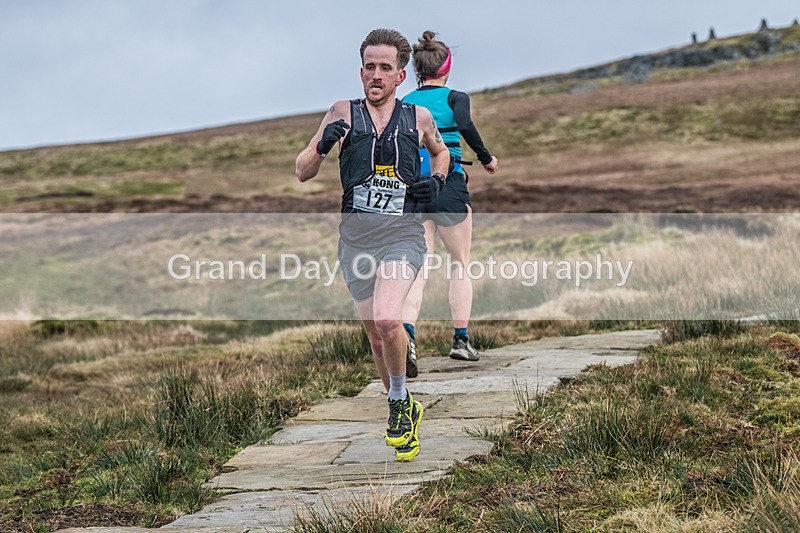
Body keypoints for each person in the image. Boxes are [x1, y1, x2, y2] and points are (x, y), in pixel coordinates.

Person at [295, 29, 450, 462]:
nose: (376, 75)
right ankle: (399, 406)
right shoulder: (341, 112)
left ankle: (400, 401)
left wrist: (434, 181)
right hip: (355, 240)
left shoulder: (417, 117)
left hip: (402, 234)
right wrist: (323, 147)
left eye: (385, 68)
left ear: (401, 75)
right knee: (375, 336)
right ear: (360, 71)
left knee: (387, 318)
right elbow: (302, 170)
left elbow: (441, 154)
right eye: (369, 67)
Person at [401, 31, 499, 363]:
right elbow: (466, 126)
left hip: (414, 188)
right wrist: (486, 159)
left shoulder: (406, 103)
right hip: (450, 184)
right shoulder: (456, 98)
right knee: (460, 265)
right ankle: (460, 340)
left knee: (419, 268)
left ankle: (407, 337)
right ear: (446, 67)